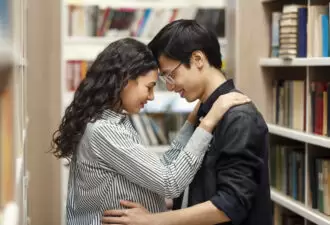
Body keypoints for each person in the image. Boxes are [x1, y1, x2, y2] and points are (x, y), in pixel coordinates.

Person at [50, 38, 250, 225]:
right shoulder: (104, 130)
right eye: (150, 87)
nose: (152, 96)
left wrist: (191, 122)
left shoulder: (114, 122)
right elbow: (170, 182)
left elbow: (160, 168)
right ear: (125, 80)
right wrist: (209, 121)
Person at [102, 20, 272, 225]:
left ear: (198, 59)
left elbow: (231, 204)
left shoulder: (239, 117)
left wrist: (154, 220)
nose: (171, 88)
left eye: (171, 75)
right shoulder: (205, 111)